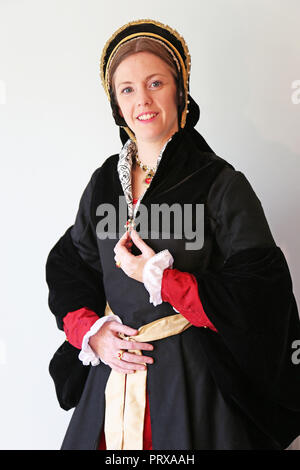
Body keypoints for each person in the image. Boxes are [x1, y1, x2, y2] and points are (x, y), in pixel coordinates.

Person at [46, 19, 300, 450]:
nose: (141, 99)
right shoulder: (104, 183)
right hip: (112, 381)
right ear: (115, 104)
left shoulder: (220, 182)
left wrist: (163, 279)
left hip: (196, 386)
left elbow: (262, 294)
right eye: (126, 89)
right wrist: (94, 333)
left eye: (155, 82)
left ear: (179, 90)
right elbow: (70, 267)